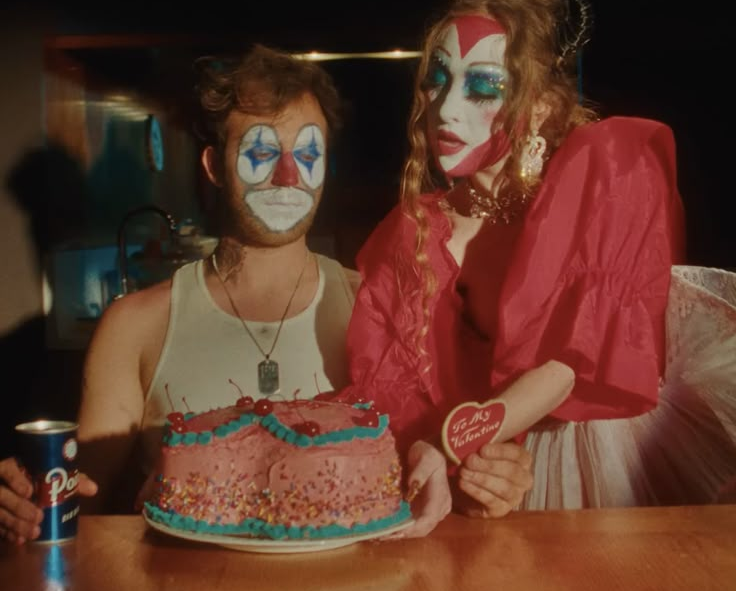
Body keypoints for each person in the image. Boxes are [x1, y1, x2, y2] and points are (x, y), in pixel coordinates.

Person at [0, 43, 534, 544]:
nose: (287, 175)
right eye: (260, 150)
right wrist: (22, 506)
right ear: (212, 166)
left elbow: (430, 480)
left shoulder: (380, 307)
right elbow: (78, 507)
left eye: (307, 153)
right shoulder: (135, 325)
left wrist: (485, 483)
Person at [342, 0, 736, 520]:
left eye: (482, 87)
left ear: (543, 108)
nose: (446, 108)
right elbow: (405, 391)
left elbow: (577, 357)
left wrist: (466, 438)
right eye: (437, 79)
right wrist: (457, 465)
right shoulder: (411, 233)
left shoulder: (607, 171)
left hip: (604, 439)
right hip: (502, 459)